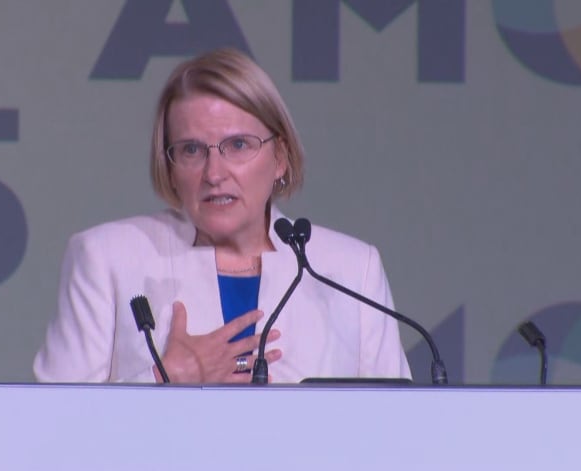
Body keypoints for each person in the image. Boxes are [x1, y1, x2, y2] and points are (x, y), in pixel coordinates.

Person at [33, 48, 411, 383]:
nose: (214, 173)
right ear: (169, 167)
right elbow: (49, 429)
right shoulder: (106, 259)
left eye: (238, 145)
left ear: (279, 158)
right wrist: (163, 381)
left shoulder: (351, 270)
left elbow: (398, 433)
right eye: (192, 150)